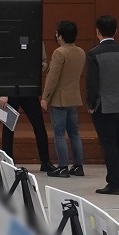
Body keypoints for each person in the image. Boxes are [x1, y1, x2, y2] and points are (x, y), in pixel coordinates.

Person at [84, 15, 119, 195]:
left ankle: (113, 183)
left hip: (104, 105)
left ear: (97, 31)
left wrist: (91, 103)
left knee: (109, 143)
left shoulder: (94, 54)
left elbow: (92, 82)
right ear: (115, 30)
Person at [42, 20, 88, 177]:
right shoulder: (81, 52)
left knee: (59, 134)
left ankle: (62, 166)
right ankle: (78, 165)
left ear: (60, 36)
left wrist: (45, 97)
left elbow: (53, 78)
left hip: (59, 99)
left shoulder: (59, 52)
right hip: (74, 97)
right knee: (74, 133)